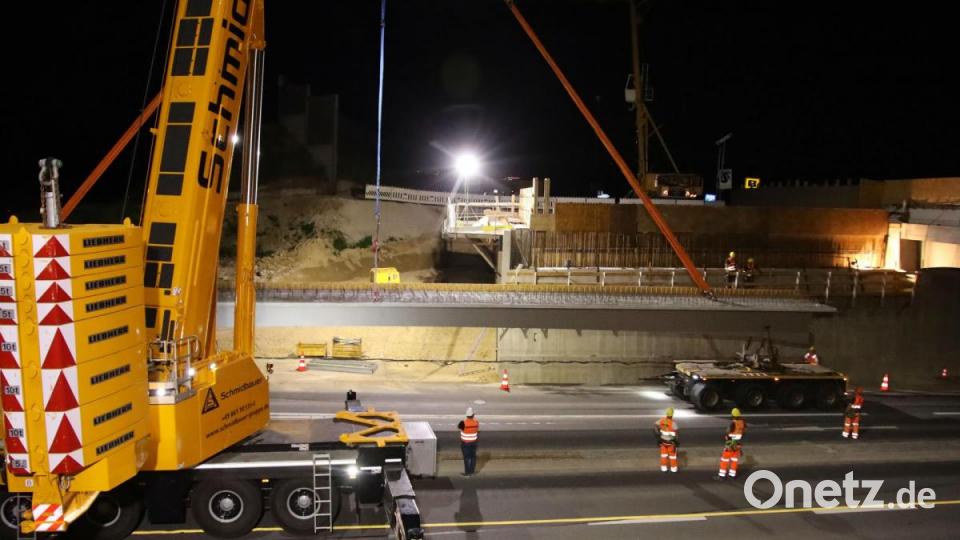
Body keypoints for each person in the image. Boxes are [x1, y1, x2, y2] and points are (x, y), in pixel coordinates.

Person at [718, 408, 746, 479]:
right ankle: (732, 475)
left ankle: (722, 475)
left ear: (732, 415)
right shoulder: (742, 423)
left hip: (730, 445)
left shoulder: (733, 423)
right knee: (734, 460)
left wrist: (726, 438)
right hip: (737, 445)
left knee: (724, 459)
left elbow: (728, 432)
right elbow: (743, 432)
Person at [654, 408, 679, 473]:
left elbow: (655, 425)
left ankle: (663, 468)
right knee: (672, 456)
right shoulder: (673, 423)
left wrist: (658, 433)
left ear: (666, 414)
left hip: (663, 441)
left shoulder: (661, 420)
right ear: (672, 415)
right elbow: (676, 434)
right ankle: (673, 469)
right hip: (670, 443)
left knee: (663, 455)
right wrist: (676, 441)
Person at [458, 407, 479, 476]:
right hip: (474, 442)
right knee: (473, 457)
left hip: (465, 443)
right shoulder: (476, 422)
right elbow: (476, 429)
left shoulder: (463, 423)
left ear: (466, 415)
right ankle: (472, 472)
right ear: (473, 415)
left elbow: (460, 428)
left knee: (466, 458)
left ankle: (467, 473)